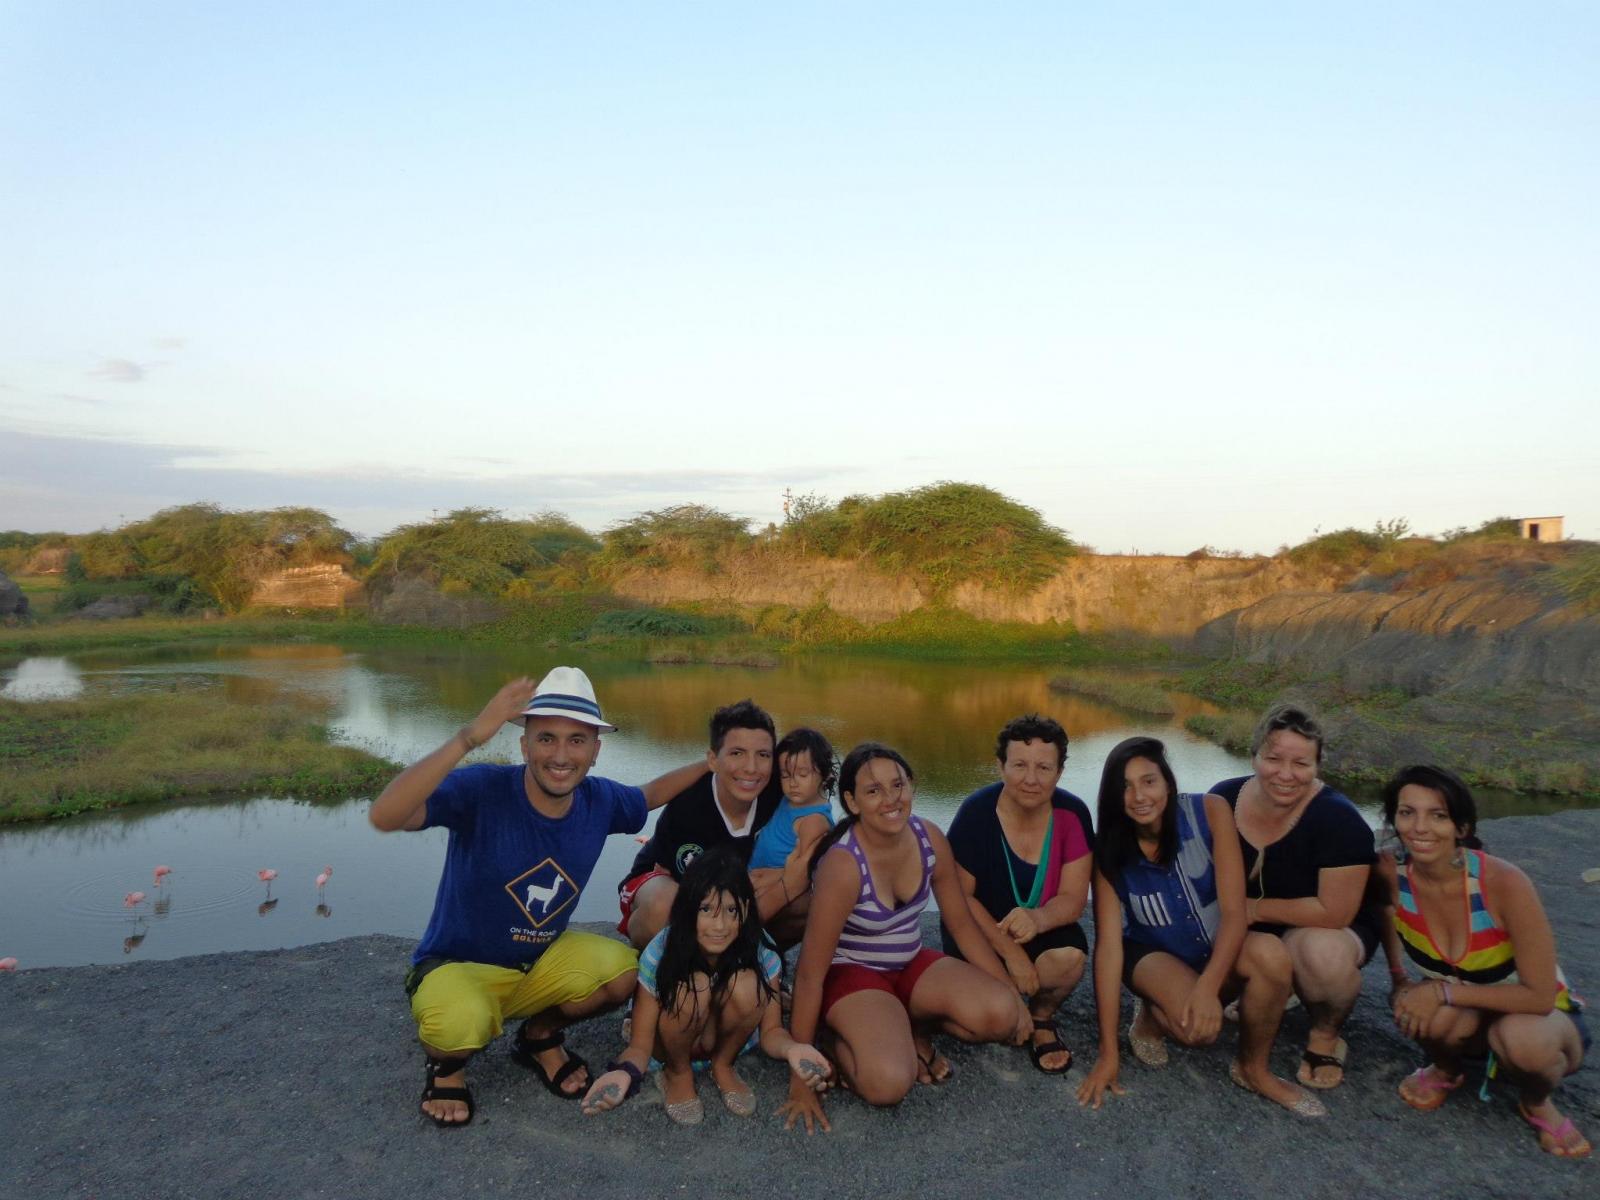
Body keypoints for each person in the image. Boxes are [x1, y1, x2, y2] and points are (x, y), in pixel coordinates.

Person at [369, 667, 705, 1127]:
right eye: (546, 738)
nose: (561, 756)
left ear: (595, 751)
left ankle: (539, 1036)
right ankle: (448, 1069)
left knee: (625, 973)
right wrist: (468, 738)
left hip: (538, 964)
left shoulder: (599, 801)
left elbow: (648, 795)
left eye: (576, 740)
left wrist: (712, 764)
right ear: (524, 744)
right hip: (457, 964)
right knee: (458, 1022)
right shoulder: (483, 789)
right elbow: (386, 816)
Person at [780, 743, 1032, 1133]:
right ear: (852, 801)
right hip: (852, 976)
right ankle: (835, 1040)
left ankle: (906, 1029)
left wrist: (1012, 994)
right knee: (888, 1084)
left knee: (1001, 1015)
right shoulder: (844, 866)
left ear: (910, 785)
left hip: (909, 963)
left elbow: (962, 925)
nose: (890, 799)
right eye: (873, 791)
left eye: (897, 785)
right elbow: (810, 974)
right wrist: (802, 1074)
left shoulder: (929, 838)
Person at [1076, 737, 1324, 1116]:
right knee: (1196, 1032)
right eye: (1124, 786)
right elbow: (1108, 949)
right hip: (1152, 954)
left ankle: (1253, 1070)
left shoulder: (1210, 810)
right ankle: (1151, 1015)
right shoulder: (1108, 852)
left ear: (1167, 782)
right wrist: (1108, 1054)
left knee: (1272, 956)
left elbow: (1235, 912)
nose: (1139, 796)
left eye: (1149, 781)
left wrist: (1208, 988)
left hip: (1214, 940)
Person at [1380, 765, 1589, 1158]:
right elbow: (1380, 911)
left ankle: (1536, 1101)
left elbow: (1539, 996)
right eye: (1407, 813)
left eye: (1438, 815)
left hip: (1539, 1019)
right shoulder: (1390, 873)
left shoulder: (1503, 882)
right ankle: (1446, 1069)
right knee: (1417, 1007)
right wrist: (1398, 977)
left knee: (1523, 1041)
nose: (1419, 827)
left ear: (1461, 827)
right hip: (1465, 1013)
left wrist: (1439, 992)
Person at [580, 848, 831, 1125]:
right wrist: (623, 1072)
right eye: (706, 909)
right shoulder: (661, 952)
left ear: (746, 909)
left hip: (720, 1038)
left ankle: (723, 1064)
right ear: (687, 909)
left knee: (747, 983)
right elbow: (640, 1045)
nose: (720, 925)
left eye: (731, 910)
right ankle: (677, 1073)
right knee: (695, 984)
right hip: (668, 1043)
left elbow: (771, 1031)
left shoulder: (761, 951)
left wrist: (793, 1049)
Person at [1208, 704, 1377, 1093]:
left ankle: (1325, 1035)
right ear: (1254, 756)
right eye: (1273, 759)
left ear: (1317, 765)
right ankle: (1273, 988)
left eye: (1301, 763)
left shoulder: (1339, 820)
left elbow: (1335, 911)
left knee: (1323, 955)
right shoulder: (1223, 798)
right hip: (1253, 926)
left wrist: (1251, 909)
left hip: (1325, 925)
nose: (1285, 774)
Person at [942, 714, 1092, 1074]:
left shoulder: (1073, 814)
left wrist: (1038, 918)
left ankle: (1040, 1017)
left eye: (1044, 767)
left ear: (1059, 771)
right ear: (1001, 766)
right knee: (990, 1021)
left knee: (1069, 958)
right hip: (977, 931)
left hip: (1037, 929)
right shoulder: (976, 813)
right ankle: (1004, 1005)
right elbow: (959, 899)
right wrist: (1012, 956)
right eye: (1019, 765)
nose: (1031, 779)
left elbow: (1073, 899)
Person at [619, 699, 808, 950]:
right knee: (665, 906)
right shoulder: (688, 806)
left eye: (763, 755)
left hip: (740, 894)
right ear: (713, 759)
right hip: (672, 883)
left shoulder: (781, 795)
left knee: (810, 901)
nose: (751, 768)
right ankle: (666, 964)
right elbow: (696, 895)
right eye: (737, 753)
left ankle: (757, 956)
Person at [747, 727, 837, 940]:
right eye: (786, 775)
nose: (793, 783)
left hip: (774, 889)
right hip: (755, 877)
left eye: (803, 774)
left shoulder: (814, 821)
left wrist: (762, 879)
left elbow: (805, 874)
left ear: (825, 775)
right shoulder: (788, 800)